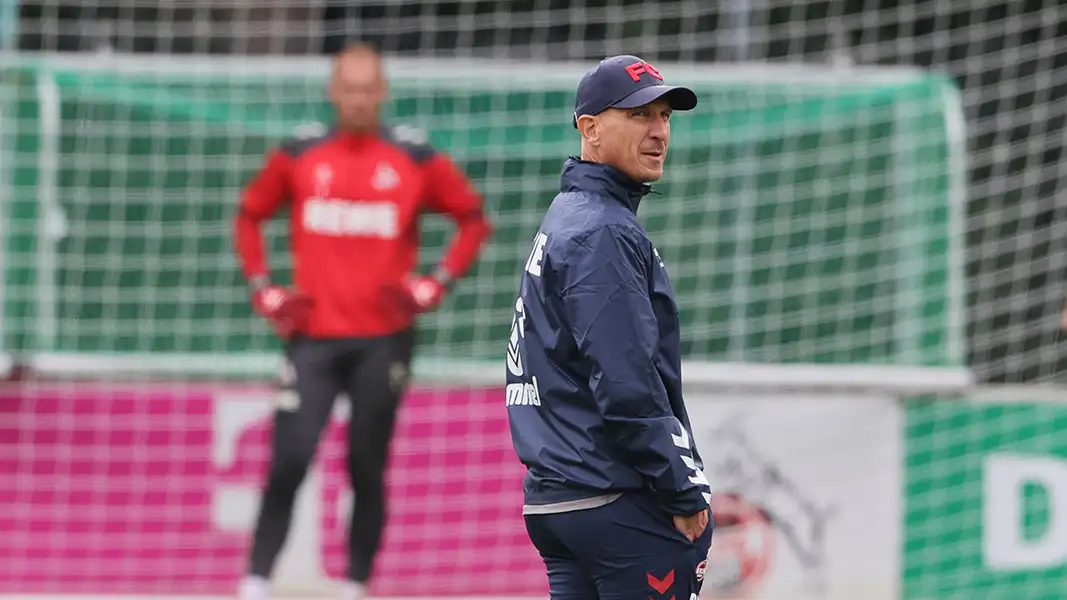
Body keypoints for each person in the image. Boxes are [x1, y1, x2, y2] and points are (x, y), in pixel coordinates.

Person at [232, 42, 492, 600]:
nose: (357, 99)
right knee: (290, 458)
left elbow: (472, 219)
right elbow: (249, 215)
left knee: (366, 464)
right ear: (332, 92)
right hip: (312, 338)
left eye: (367, 89)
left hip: (384, 339)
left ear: (382, 93)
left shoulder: (413, 158)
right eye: (347, 88)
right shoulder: (300, 155)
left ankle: (355, 584)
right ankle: (255, 581)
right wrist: (265, 290)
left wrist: (436, 282)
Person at [505, 55, 713, 599]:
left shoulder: (570, 214)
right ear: (590, 128)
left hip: (561, 496)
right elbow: (626, 383)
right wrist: (683, 487)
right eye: (640, 114)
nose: (659, 131)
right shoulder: (603, 231)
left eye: (665, 116)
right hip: (614, 497)